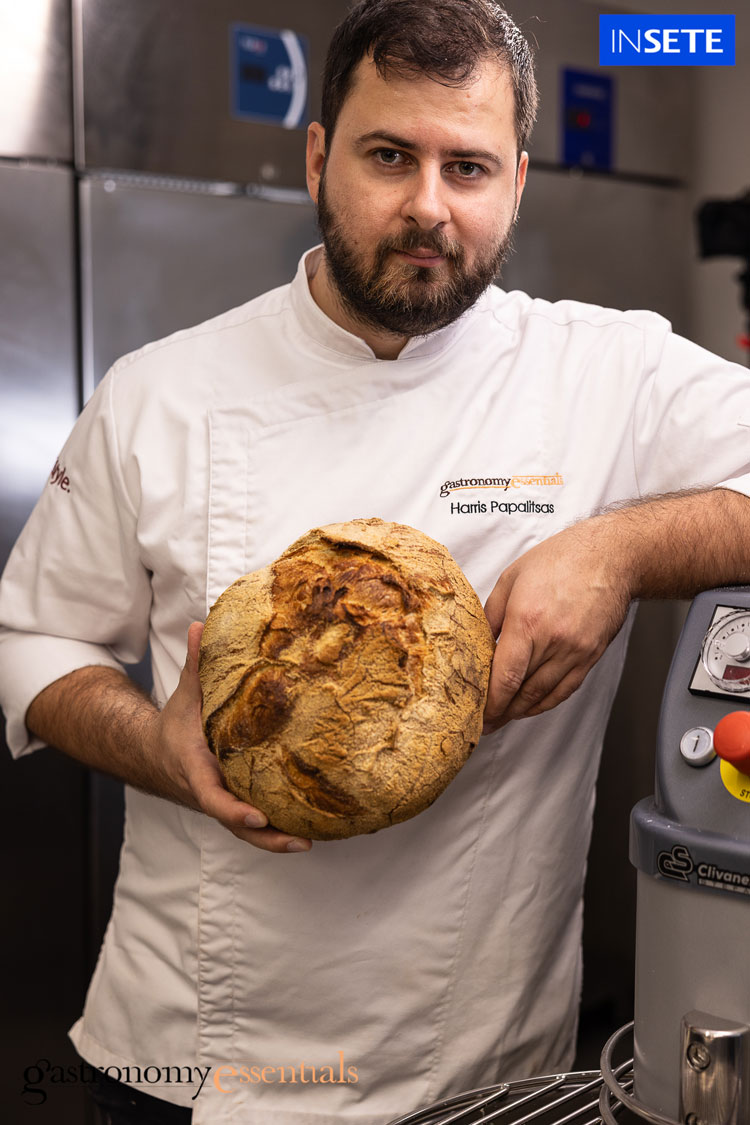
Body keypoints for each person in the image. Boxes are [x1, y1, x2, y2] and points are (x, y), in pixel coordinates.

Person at [2, 1, 750, 1122]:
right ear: (318, 157)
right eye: (389, 155)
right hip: (193, 1064)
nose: (428, 207)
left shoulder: (609, 373)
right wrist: (156, 747)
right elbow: (36, 639)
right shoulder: (159, 392)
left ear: (517, 183)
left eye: (468, 167)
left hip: (485, 1068)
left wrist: (620, 547)